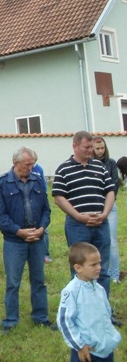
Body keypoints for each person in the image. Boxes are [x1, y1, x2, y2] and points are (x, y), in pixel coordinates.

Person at [52, 131, 116, 323]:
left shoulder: (100, 166)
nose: (90, 151)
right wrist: (78, 216)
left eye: (92, 147)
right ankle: (82, 313)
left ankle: (104, 312)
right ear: (75, 146)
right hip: (77, 226)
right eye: (86, 148)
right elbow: (59, 197)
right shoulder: (63, 169)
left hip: (100, 224)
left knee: (102, 268)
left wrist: (104, 214)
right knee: (79, 270)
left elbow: (110, 191)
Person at [0, 147, 54, 332]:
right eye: (28, 164)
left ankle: (41, 317)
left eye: (33, 164)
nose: (31, 167)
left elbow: (46, 210)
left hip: (37, 239)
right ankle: (11, 320)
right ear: (16, 163)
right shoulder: (2, 184)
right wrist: (19, 231)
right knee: (13, 282)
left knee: (39, 280)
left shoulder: (37, 181)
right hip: (14, 242)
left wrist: (42, 229)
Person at [57, 242, 121, 362]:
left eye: (99, 263)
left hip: (104, 349)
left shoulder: (99, 289)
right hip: (87, 352)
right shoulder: (71, 292)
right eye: (93, 265)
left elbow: (106, 314)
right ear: (78, 268)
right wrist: (79, 345)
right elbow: (64, 321)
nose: (99, 267)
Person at [92, 137, 120, 284]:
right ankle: (98, 272)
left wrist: (107, 205)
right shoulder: (89, 164)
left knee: (112, 241)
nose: (101, 151)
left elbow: (115, 185)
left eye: (102, 148)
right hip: (93, 207)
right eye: (97, 148)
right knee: (96, 241)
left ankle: (114, 275)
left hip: (110, 207)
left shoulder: (111, 163)